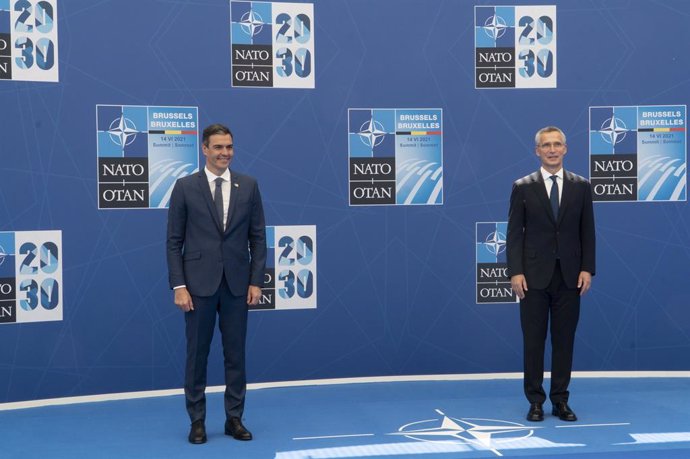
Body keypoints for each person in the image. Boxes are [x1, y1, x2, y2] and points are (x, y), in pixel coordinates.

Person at [166, 123, 267, 444]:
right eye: (219, 147)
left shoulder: (248, 186)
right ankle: (197, 421)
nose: (226, 153)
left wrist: (256, 281)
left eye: (230, 147)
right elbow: (173, 241)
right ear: (205, 149)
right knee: (197, 355)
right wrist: (178, 285)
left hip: (238, 285)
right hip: (197, 286)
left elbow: (258, 238)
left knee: (235, 355)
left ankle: (234, 418)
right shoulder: (184, 187)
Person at [506, 126, 595, 422]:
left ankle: (560, 400)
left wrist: (587, 268)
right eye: (547, 145)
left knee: (564, 341)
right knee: (533, 342)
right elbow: (514, 234)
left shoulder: (581, 186)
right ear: (538, 151)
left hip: (570, 277)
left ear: (566, 149)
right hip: (532, 278)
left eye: (557, 144)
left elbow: (588, 232)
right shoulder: (523, 186)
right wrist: (515, 272)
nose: (552, 149)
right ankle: (535, 401)